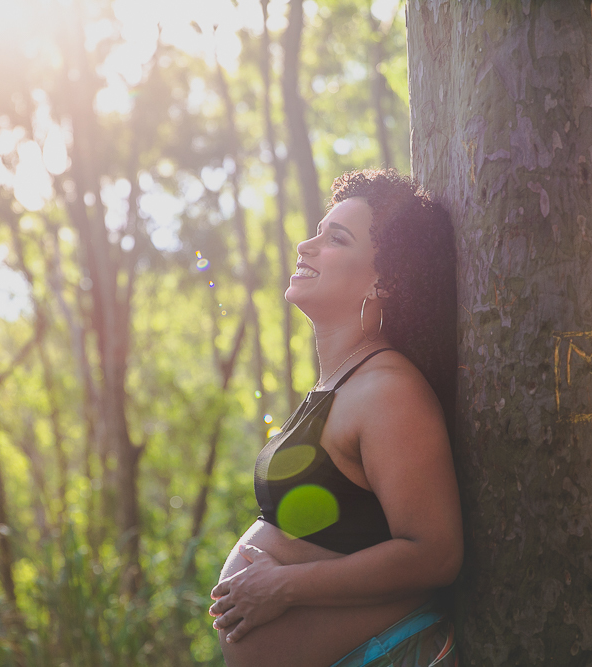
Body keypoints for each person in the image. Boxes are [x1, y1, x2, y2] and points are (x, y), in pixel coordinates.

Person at [208, 168, 463, 667]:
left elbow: (436, 553)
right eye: (317, 231)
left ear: (384, 281)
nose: (305, 246)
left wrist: (283, 586)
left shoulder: (388, 390)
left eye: (335, 239)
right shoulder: (343, 382)